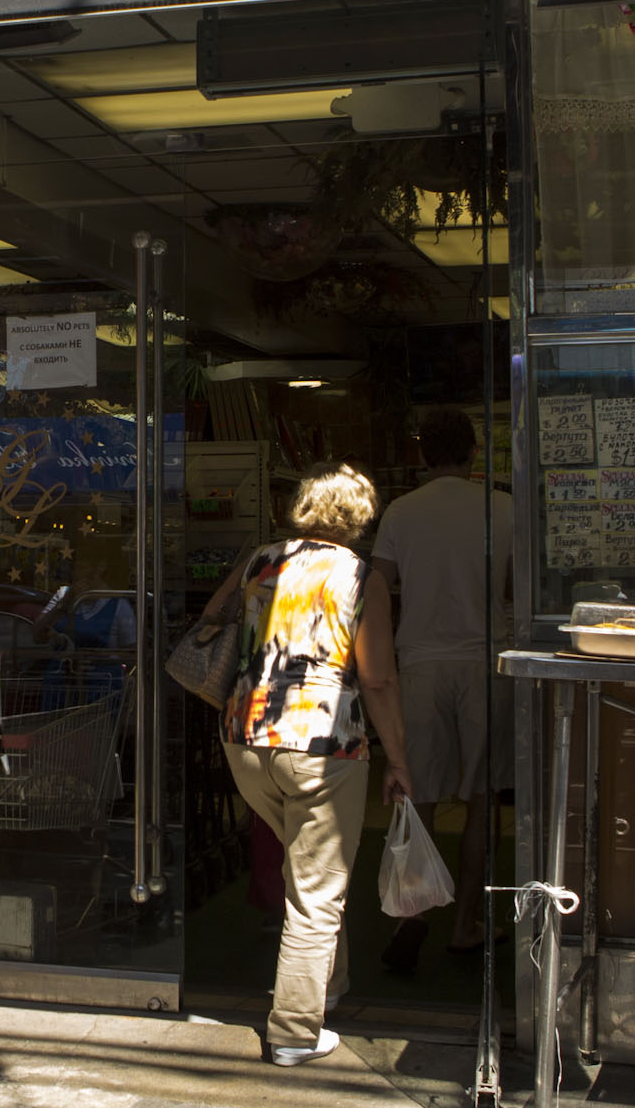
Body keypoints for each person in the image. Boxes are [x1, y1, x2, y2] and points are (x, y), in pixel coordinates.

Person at [201, 465, 412, 1066]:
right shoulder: (362, 577)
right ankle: (294, 1031)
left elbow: (213, 618)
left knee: (310, 871)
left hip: (245, 736)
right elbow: (378, 679)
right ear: (360, 518)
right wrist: (399, 759)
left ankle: (327, 988)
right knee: (318, 889)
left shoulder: (260, 560)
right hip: (323, 745)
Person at [369, 408, 518, 967]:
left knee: (419, 794)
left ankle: (413, 913)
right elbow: (515, 588)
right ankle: (466, 923)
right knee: (482, 798)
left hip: (420, 663)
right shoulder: (502, 507)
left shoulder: (402, 511)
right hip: (485, 662)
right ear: (474, 452)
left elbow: (378, 587)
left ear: (422, 455)